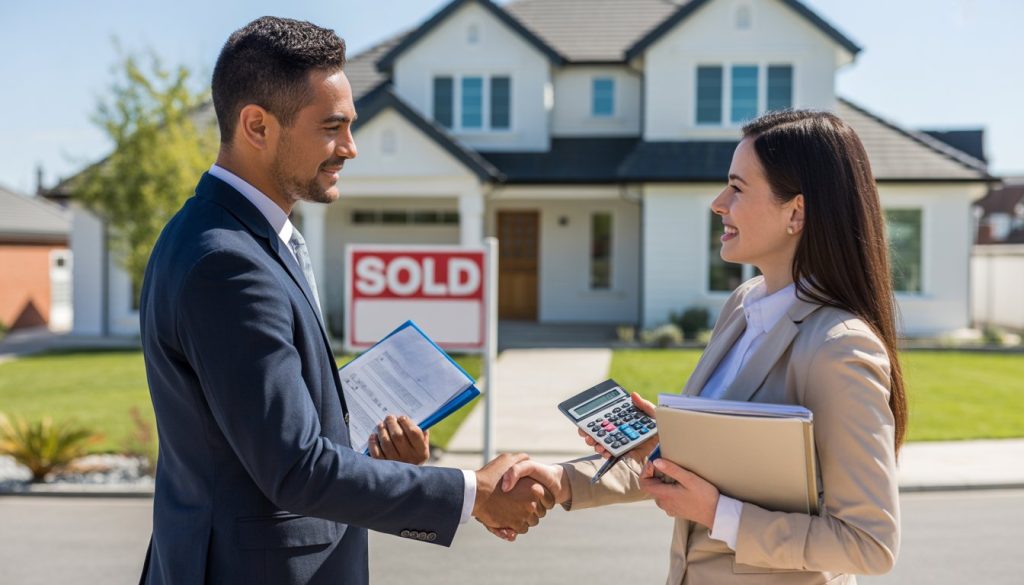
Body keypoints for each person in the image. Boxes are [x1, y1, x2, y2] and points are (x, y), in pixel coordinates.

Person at [138, 16, 551, 585]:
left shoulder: (228, 235)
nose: (351, 148)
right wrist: (472, 493)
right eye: (332, 127)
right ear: (257, 125)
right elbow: (295, 469)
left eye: (350, 126)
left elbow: (257, 436)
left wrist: (366, 455)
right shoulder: (227, 263)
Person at [501, 110, 905, 584]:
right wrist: (565, 479)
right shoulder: (741, 306)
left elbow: (869, 543)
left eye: (737, 188)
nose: (719, 203)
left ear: (796, 212)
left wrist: (719, 513)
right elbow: (705, 471)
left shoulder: (840, 347)